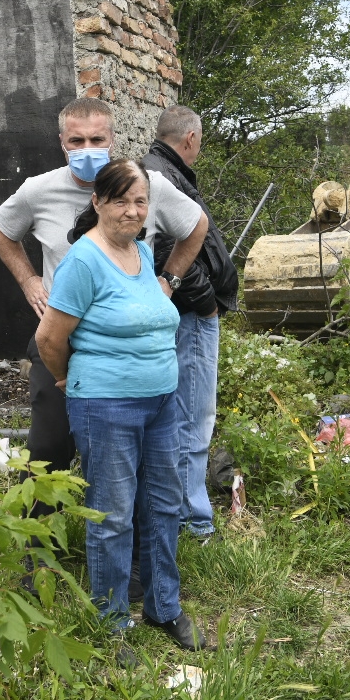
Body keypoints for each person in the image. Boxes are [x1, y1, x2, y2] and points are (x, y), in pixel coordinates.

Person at [0, 99, 207, 529]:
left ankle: (130, 554)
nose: (87, 147)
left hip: (127, 352)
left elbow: (196, 225)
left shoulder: (148, 185)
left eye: (97, 139)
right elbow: (0, 226)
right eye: (77, 140)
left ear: (113, 139)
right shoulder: (38, 189)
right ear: (62, 143)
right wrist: (30, 281)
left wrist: (168, 282)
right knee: (48, 451)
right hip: (59, 341)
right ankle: (37, 552)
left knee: (133, 460)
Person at [35, 159, 205, 653]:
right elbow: (49, 337)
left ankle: (163, 608)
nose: (132, 211)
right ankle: (110, 622)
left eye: (140, 201)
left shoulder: (139, 252)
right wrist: (68, 377)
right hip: (106, 404)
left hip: (161, 403)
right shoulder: (84, 261)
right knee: (111, 515)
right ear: (97, 202)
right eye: (121, 200)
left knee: (163, 504)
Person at [141, 105, 236, 542]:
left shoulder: (158, 171)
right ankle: (191, 520)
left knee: (180, 415)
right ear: (191, 139)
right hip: (190, 315)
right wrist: (205, 302)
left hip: (181, 313)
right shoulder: (161, 177)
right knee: (192, 417)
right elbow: (162, 251)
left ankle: (178, 512)